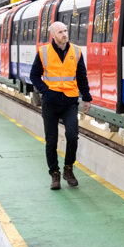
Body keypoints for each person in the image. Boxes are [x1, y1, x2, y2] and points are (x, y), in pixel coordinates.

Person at [29, 21, 92, 190]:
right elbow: (34, 75)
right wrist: (45, 91)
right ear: (53, 36)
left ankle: (68, 169)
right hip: (51, 102)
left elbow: (82, 76)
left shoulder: (76, 51)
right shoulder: (43, 52)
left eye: (65, 30)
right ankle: (54, 174)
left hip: (70, 101)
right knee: (51, 140)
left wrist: (87, 98)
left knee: (72, 135)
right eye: (61, 32)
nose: (65, 34)